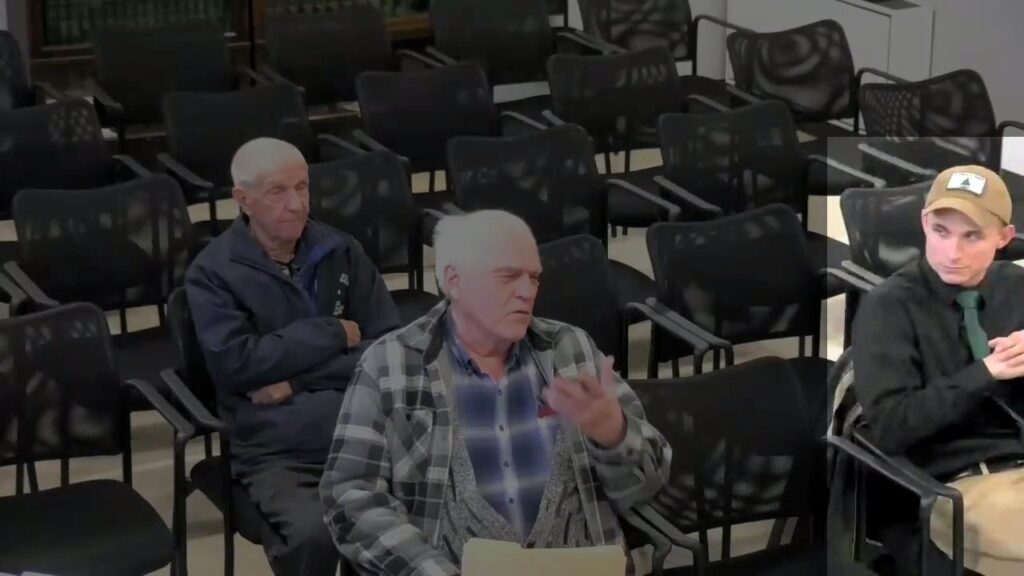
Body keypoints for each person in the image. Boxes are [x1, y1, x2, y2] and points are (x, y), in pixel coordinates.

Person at [319, 210, 670, 575]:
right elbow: (351, 498)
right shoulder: (390, 364)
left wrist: (615, 434)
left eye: (534, 278)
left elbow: (649, 486)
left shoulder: (571, 350)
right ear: (454, 280)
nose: (527, 292)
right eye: (508, 277)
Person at [186, 137, 401, 576]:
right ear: (243, 199)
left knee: (436, 502)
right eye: (278, 191)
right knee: (314, 535)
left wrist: (297, 380)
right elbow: (237, 365)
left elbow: (389, 351)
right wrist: (332, 332)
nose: (297, 204)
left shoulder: (340, 250)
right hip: (277, 450)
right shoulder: (213, 272)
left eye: (302, 187)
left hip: (364, 432)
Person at [852, 165, 1024, 576]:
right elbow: (892, 426)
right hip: (951, 481)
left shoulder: (1015, 285)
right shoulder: (889, 307)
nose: (952, 253)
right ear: (924, 223)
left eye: (972, 236)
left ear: (1004, 238)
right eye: (941, 231)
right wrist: (984, 373)